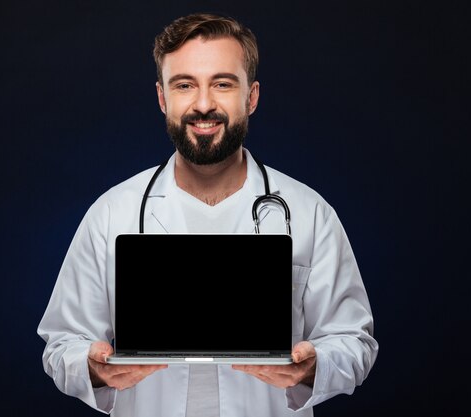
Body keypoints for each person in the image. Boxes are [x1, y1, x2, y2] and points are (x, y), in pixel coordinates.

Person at [37, 12, 378, 417]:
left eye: (222, 84)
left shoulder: (310, 213)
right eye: (184, 85)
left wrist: (313, 365)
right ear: (163, 98)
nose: (203, 104)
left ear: (250, 97)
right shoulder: (112, 214)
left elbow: (355, 343)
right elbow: (61, 345)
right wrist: (92, 366)